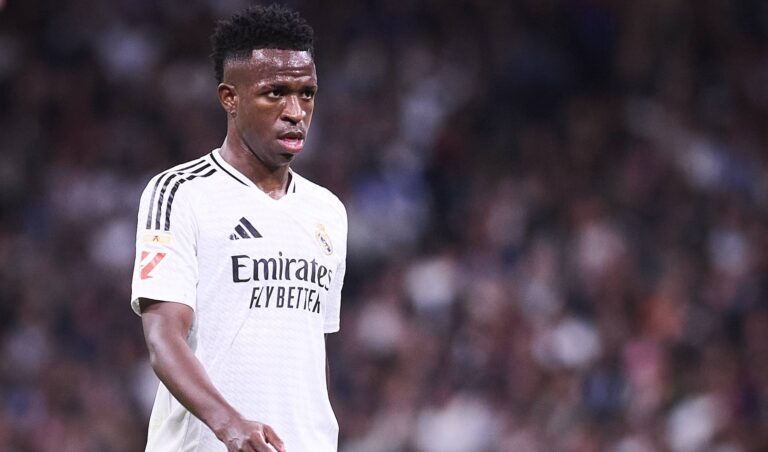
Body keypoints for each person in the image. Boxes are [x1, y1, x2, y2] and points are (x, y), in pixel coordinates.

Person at [130, 4, 347, 451]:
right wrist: (228, 424)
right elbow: (163, 338)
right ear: (230, 98)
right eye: (275, 93)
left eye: (307, 94)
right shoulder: (180, 193)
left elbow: (312, 353)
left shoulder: (327, 211)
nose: (296, 111)